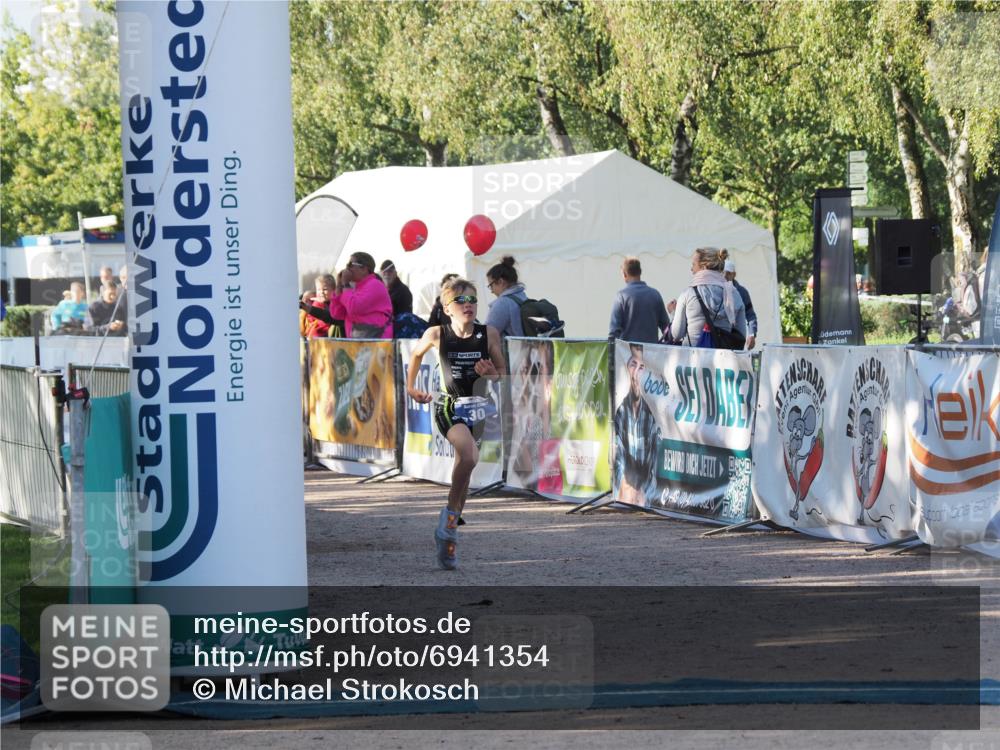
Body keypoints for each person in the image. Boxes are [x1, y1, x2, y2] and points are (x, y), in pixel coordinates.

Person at [406, 278, 505, 570]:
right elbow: (415, 355)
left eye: (472, 300)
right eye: (460, 300)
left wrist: (491, 374)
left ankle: (448, 535)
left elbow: (501, 373)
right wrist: (411, 388)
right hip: (449, 406)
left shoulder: (489, 334)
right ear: (447, 308)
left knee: (465, 468)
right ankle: (449, 520)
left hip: (478, 409)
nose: (468, 305)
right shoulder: (437, 333)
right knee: (470, 456)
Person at [668, 247, 747, 347]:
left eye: (694, 264)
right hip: (722, 355)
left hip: (692, 355)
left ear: (704, 267)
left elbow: (677, 334)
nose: (691, 269)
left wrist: (674, 313)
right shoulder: (734, 294)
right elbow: (741, 336)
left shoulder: (688, 294)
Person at [613, 343, 660, 506]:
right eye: (633, 364)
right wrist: (623, 488)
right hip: (624, 495)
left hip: (643, 498)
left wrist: (644, 494)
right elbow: (617, 459)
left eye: (642, 367)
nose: (636, 373)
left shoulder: (652, 417)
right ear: (627, 366)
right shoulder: (621, 411)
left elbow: (654, 468)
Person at [326, 252, 393, 338]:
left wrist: (346, 284)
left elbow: (354, 308)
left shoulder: (375, 285)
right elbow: (337, 314)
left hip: (376, 341)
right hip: (359, 342)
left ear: (364, 269)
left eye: (350, 264)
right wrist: (339, 286)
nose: (347, 268)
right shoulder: (355, 288)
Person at [608, 257, 670, 343]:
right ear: (640, 272)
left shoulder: (621, 296)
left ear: (624, 274)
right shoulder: (655, 294)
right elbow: (666, 328)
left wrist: (611, 349)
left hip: (628, 350)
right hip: (652, 350)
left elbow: (614, 331)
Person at [485, 256, 529, 336]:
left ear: (500, 281)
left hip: (512, 345)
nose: (491, 291)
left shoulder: (503, 303)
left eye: (491, 285)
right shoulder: (522, 297)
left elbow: (487, 334)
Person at [724, 259, 758, 349]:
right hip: (720, 337)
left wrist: (752, 334)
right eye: (722, 273)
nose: (724, 276)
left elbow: (750, 315)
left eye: (728, 273)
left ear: (734, 274)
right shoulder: (716, 289)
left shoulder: (742, 292)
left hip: (737, 337)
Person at [299, 274, 336, 338]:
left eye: (325, 289)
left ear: (333, 290)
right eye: (319, 290)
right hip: (316, 335)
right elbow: (313, 319)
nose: (321, 292)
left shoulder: (334, 302)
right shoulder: (317, 303)